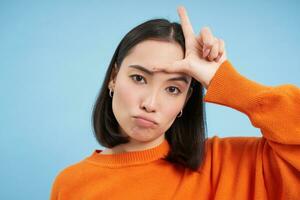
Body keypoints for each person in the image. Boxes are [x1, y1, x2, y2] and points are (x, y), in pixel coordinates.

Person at [50, 6, 300, 200]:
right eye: (139, 78)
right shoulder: (72, 184)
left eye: (172, 88)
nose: (150, 103)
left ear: (185, 100)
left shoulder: (230, 165)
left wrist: (224, 80)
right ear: (113, 78)